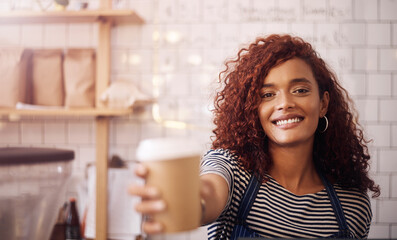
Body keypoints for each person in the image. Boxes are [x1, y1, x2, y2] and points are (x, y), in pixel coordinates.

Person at [129, 34, 380, 239]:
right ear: (253, 109)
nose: (284, 103)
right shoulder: (233, 170)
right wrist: (189, 203)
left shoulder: (352, 205)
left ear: (323, 103)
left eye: (300, 90)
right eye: (267, 95)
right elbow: (210, 192)